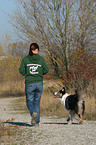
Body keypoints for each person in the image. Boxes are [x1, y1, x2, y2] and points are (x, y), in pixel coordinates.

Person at [19, 43, 49, 126]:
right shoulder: (41, 59)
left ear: (30, 50)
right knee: (37, 103)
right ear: (37, 49)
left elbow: (21, 71)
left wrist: (27, 73)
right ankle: (36, 122)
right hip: (39, 83)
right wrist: (40, 73)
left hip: (30, 83)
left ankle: (33, 114)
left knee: (29, 102)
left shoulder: (25, 59)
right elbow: (46, 69)